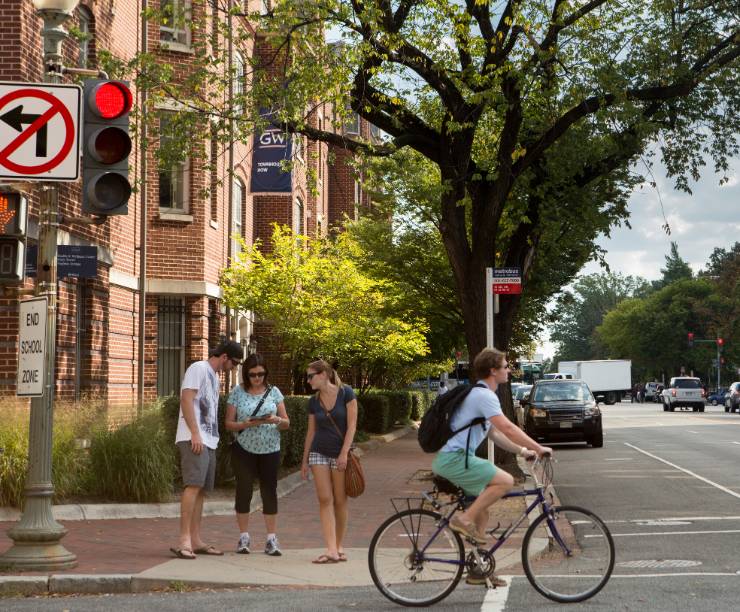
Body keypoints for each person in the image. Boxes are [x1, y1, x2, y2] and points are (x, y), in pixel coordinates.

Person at [432, 348, 551, 584]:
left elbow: (494, 433)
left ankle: (479, 569)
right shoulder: (483, 395)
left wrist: (522, 451)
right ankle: (462, 521)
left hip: (455, 459)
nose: (509, 370)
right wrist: (538, 447)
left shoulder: (482, 395)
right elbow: (507, 427)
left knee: (482, 510)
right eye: (505, 366)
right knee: (505, 481)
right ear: (493, 371)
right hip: (456, 458)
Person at [170, 340, 243, 560]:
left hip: (209, 440)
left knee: (201, 490)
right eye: (235, 362)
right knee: (192, 486)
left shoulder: (213, 376)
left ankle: (195, 539)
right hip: (194, 438)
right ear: (224, 357)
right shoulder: (198, 368)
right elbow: (186, 399)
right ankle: (183, 540)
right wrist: (194, 432)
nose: (235, 367)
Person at [225, 353, 290, 556]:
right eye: (253, 374)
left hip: (270, 449)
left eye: (261, 374)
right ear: (246, 374)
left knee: (269, 491)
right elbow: (228, 424)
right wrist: (245, 424)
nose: (257, 378)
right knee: (243, 490)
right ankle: (244, 537)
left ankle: (271, 539)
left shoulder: (274, 392)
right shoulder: (237, 392)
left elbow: (287, 422)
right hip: (244, 448)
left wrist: (275, 420)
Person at [300, 359, 358, 564]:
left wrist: (343, 454)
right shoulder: (313, 401)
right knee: (325, 499)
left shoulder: (346, 393)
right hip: (318, 452)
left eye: (310, 376)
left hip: (339, 453)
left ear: (323, 375)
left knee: (340, 500)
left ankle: (339, 546)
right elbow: (311, 432)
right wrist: (304, 460)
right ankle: (331, 548)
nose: (308, 380)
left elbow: (352, 426)